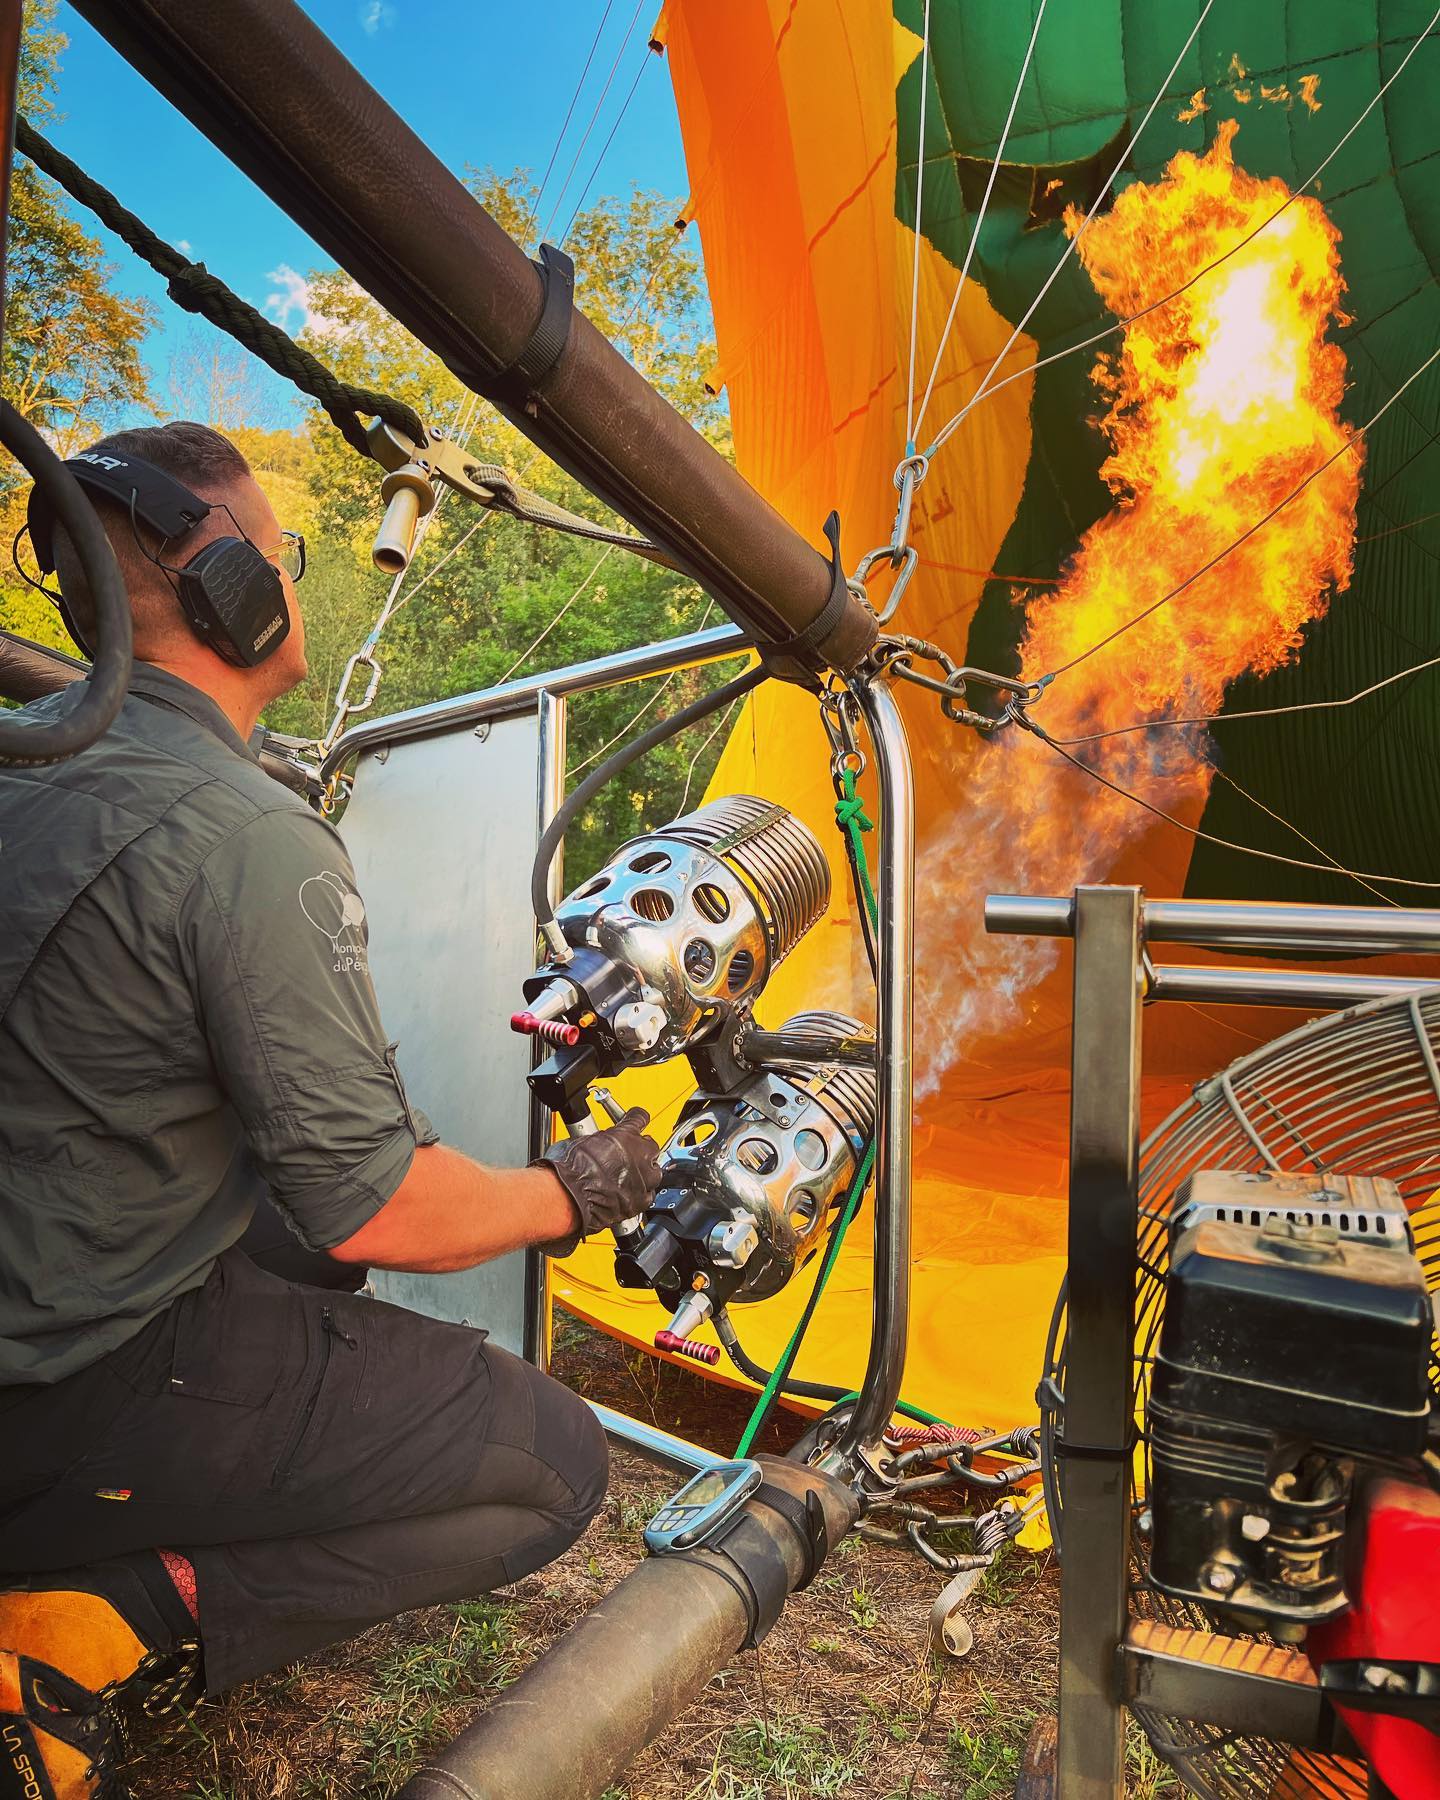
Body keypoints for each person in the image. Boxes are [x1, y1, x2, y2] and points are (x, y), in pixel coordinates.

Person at [0, 422, 663, 1800]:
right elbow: (382, 1202)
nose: (294, 583)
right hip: (57, 1387)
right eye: (285, 559)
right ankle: (104, 1604)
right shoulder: (240, 833)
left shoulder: (29, 772)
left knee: (316, 1253)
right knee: (551, 1467)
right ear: (233, 586)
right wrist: (574, 1193)